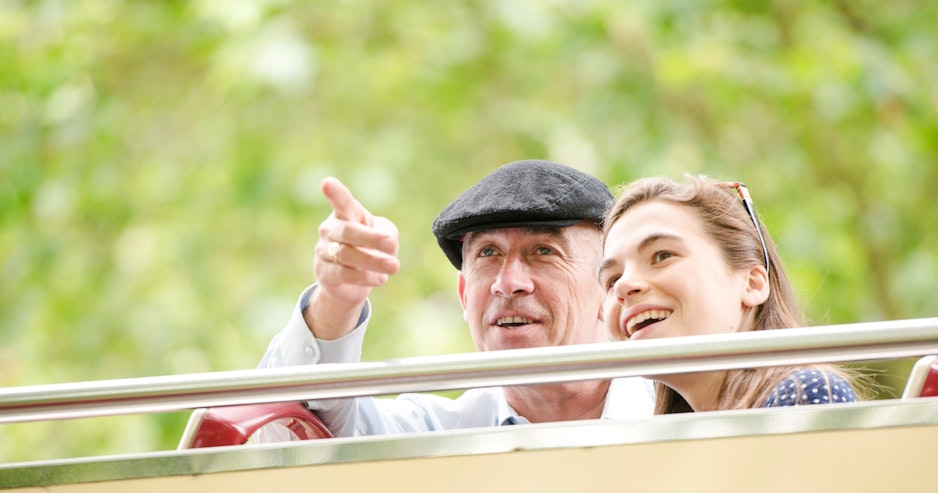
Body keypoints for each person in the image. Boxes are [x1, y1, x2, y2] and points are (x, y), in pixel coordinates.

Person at [258, 160, 654, 438]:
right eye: (488, 254)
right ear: (465, 296)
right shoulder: (434, 437)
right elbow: (289, 429)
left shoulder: (679, 411)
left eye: (544, 252)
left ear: (609, 288)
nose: (508, 282)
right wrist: (336, 299)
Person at [598, 175, 861, 414]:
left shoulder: (802, 395)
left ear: (752, 284)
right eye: (612, 279)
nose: (624, 285)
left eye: (662, 256)